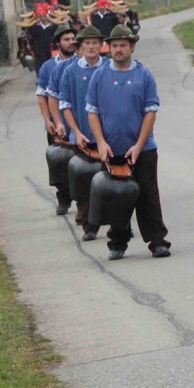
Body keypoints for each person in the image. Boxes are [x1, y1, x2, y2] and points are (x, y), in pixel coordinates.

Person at [85, 25, 171, 261]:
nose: (118, 49)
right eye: (114, 45)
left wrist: (139, 145)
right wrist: (100, 143)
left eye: (123, 45)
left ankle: (157, 241)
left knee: (148, 195)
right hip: (111, 149)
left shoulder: (144, 75)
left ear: (132, 47)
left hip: (142, 148)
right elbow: (92, 112)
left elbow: (150, 112)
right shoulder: (99, 76)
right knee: (116, 197)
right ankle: (118, 243)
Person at [56, 26, 108, 239]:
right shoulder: (70, 72)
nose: (91, 47)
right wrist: (76, 131)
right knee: (85, 179)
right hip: (83, 136)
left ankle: (119, 225)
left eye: (95, 43)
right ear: (80, 47)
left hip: (109, 137)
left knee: (112, 180)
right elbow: (65, 104)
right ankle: (89, 225)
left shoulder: (109, 67)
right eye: (87, 43)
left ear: (101, 45)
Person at [36, 26, 78, 214]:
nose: (70, 42)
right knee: (59, 163)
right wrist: (48, 120)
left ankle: (83, 201)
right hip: (57, 124)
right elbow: (42, 96)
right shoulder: (47, 67)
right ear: (58, 43)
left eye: (73, 39)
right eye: (66, 39)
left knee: (81, 163)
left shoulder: (81, 63)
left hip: (77, 123)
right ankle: (63, 198)